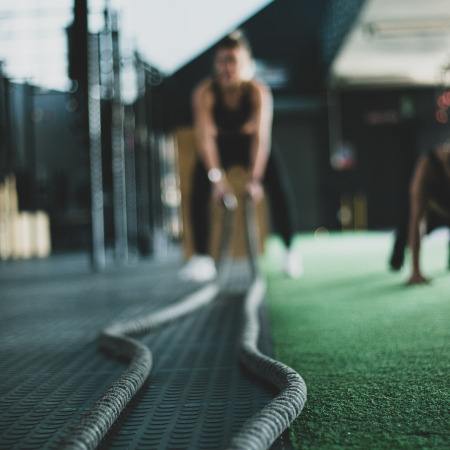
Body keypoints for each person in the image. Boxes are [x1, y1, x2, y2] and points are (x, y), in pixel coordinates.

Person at [179, 30, 302, 282]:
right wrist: (216, 180)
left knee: (278, 185)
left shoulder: (258, 92)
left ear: (246, 64)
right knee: (198, 185)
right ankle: (201, 258)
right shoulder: (205, 93)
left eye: (233, 61)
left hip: (250, 146)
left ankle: (290, 252)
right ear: (215, 65)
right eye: (222, 62)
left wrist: (255, 180)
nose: (227, 68)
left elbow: (261, 139)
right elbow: (205, 140)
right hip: (220, 147)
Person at [390, 143, 450, 285]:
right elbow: (418, 219)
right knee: (407, 226)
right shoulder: (427, 166)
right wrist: (416, 271)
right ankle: (397, 259)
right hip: (432, 209)